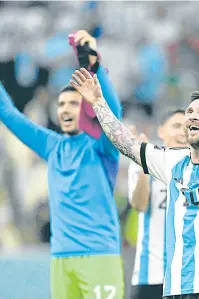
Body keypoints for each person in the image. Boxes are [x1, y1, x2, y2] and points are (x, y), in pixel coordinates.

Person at [70, 56, 199, 299]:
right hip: (176, 288)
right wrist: (98, 102)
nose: (192, 116)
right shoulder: (171, 161)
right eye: (190, 111)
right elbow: (124, 142)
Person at [0, 31, 124, 299]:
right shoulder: (52, 145)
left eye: (73, 104)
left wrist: (94, 65)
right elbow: (9, 114)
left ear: (85, 109)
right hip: (61, 259)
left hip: (99, 257)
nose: (66, 110)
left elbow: (112, 114)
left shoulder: (102, 147)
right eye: (62, 105)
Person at [128, 110, 199, 299]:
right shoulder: (148, 160)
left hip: (188, 276)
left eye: (185, 127)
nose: (181, 132)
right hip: (151, 273)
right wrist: (144, 168)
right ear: (161, 131)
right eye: (175, 126)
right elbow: (139, 204)